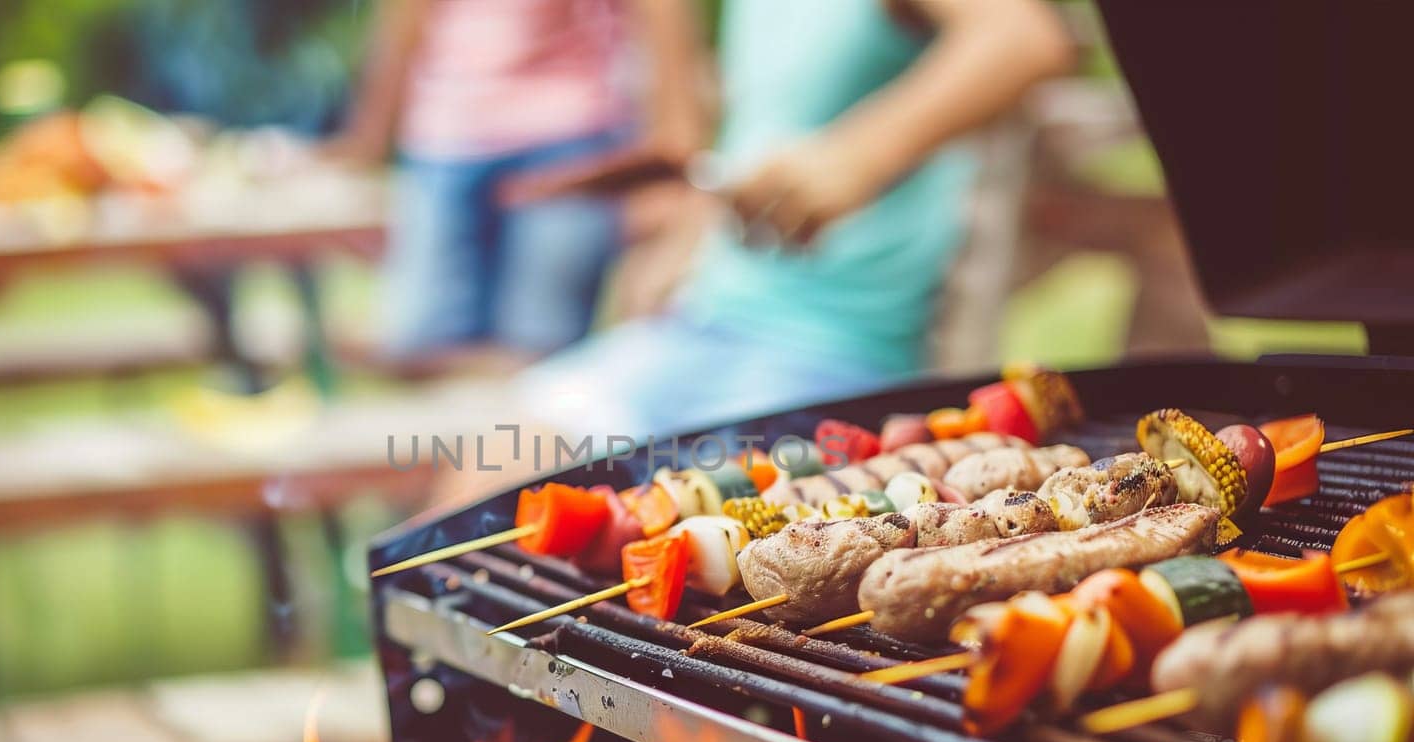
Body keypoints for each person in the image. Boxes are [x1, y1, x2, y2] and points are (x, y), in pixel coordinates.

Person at [518, 0, 1074, 440]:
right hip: (705, 322)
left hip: (835, 354)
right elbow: (760, 129)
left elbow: (1025, 37)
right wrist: (686, 239)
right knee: (495, 456)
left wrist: (861, 154)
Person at [338, 0, 706, 365]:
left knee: (539, 347)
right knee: (421, 346)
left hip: (568, 139)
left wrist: (675, 155)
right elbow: (405, 16)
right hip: (444, 139)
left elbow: (661, 11)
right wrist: (366, 139)